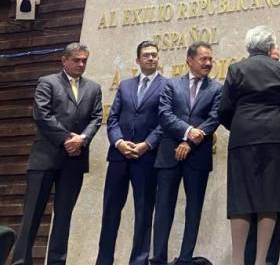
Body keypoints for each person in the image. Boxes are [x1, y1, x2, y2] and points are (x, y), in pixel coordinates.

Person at [12, 42, 103, 265]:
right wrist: (66, 139)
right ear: (64, 60)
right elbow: (42, 115)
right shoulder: (47, 82)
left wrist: (81, 139)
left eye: (84, 60)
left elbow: (96, 118)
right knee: (32, 214)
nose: (81, 64)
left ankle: (56, 262)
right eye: (76, 60)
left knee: (63, 218)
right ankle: (21, 261)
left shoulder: (93, 88)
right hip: (45, 157)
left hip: (74, 160)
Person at [218, 26, 280, 265]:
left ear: (249, 46)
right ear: (269, 46)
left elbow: (224, 109)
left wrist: (241, 126)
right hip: (275, 137)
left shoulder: (236, 69)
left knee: (241, 198)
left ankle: (237, 260)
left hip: (243, 138)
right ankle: (262, 260)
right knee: (270, 198)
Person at [151, 41, 222, 265]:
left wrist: (190, 143)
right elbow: (164, 114)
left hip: (198, 156)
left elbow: (214, 118)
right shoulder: (171, 85)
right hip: (169, 154)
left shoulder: (217, 89)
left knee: (194, 209)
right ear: (189, 60)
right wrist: (188, 132)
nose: (208, 63)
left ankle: (185, 258)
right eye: (204, 59)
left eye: (210, 59)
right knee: (163, 208)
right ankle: (159, 258)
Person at [96, 40, 166, 265]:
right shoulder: (125, 86)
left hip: (146, 157)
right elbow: (113, 118)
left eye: (154, 55)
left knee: (144, 212)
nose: (151, 58)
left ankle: (138, 260)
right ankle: (104, 260)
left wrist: (147, 144)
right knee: (110, 211)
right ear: (138, 60)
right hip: (119, 157)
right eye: (146, 55)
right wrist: (118, 142)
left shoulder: (167, 86)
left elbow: (164, 122)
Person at [244, 44, 280, 265]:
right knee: (249, 208)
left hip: (275, 150)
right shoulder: (245, 76)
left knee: (271, 208)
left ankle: (268, 261)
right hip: (249, 150)